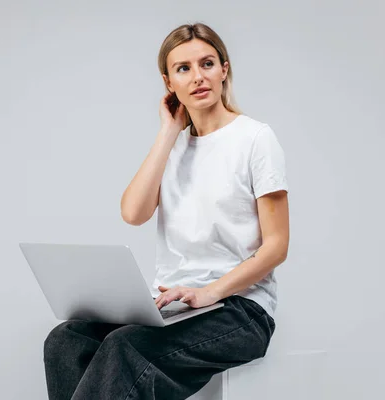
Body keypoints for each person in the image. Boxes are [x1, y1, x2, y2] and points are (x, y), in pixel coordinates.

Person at [43, 22, 290, 400]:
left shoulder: (255, 138)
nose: (198, 77)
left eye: (207, 63)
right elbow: (133, 213)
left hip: (241, 311)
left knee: (127, 345)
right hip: (174, 308)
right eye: (183, 69)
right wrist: (168, 133)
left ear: (224, 69)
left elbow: (276, 247)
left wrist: (210, 292)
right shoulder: (173, 147)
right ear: (168, 82)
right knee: (66, 339)